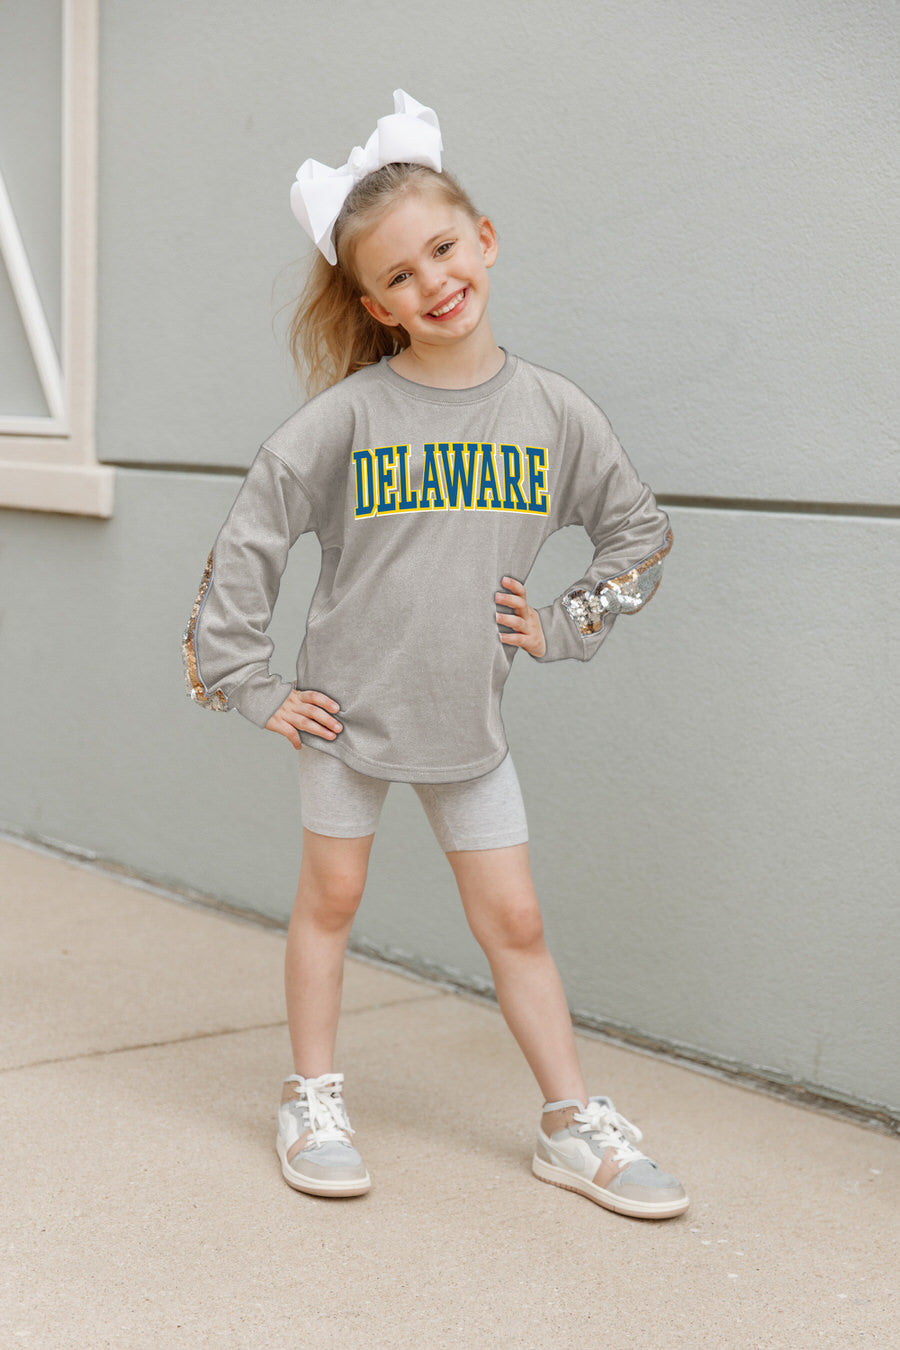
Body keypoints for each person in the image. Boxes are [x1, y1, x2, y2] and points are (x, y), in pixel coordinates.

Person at [182, 91, 686, 1219]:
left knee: (516, 922)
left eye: (445, 250)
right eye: (401, 276)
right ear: (376, 304)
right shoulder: (349, 418)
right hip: (346, 716)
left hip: (469, 721)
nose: (434, 283)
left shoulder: (552, 412)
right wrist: (250, 680)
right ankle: (311, 1100)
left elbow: (640, 533)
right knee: (332, 898)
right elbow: (255, 527)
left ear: (484, 240)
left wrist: (564, 623)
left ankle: (572, 1123)